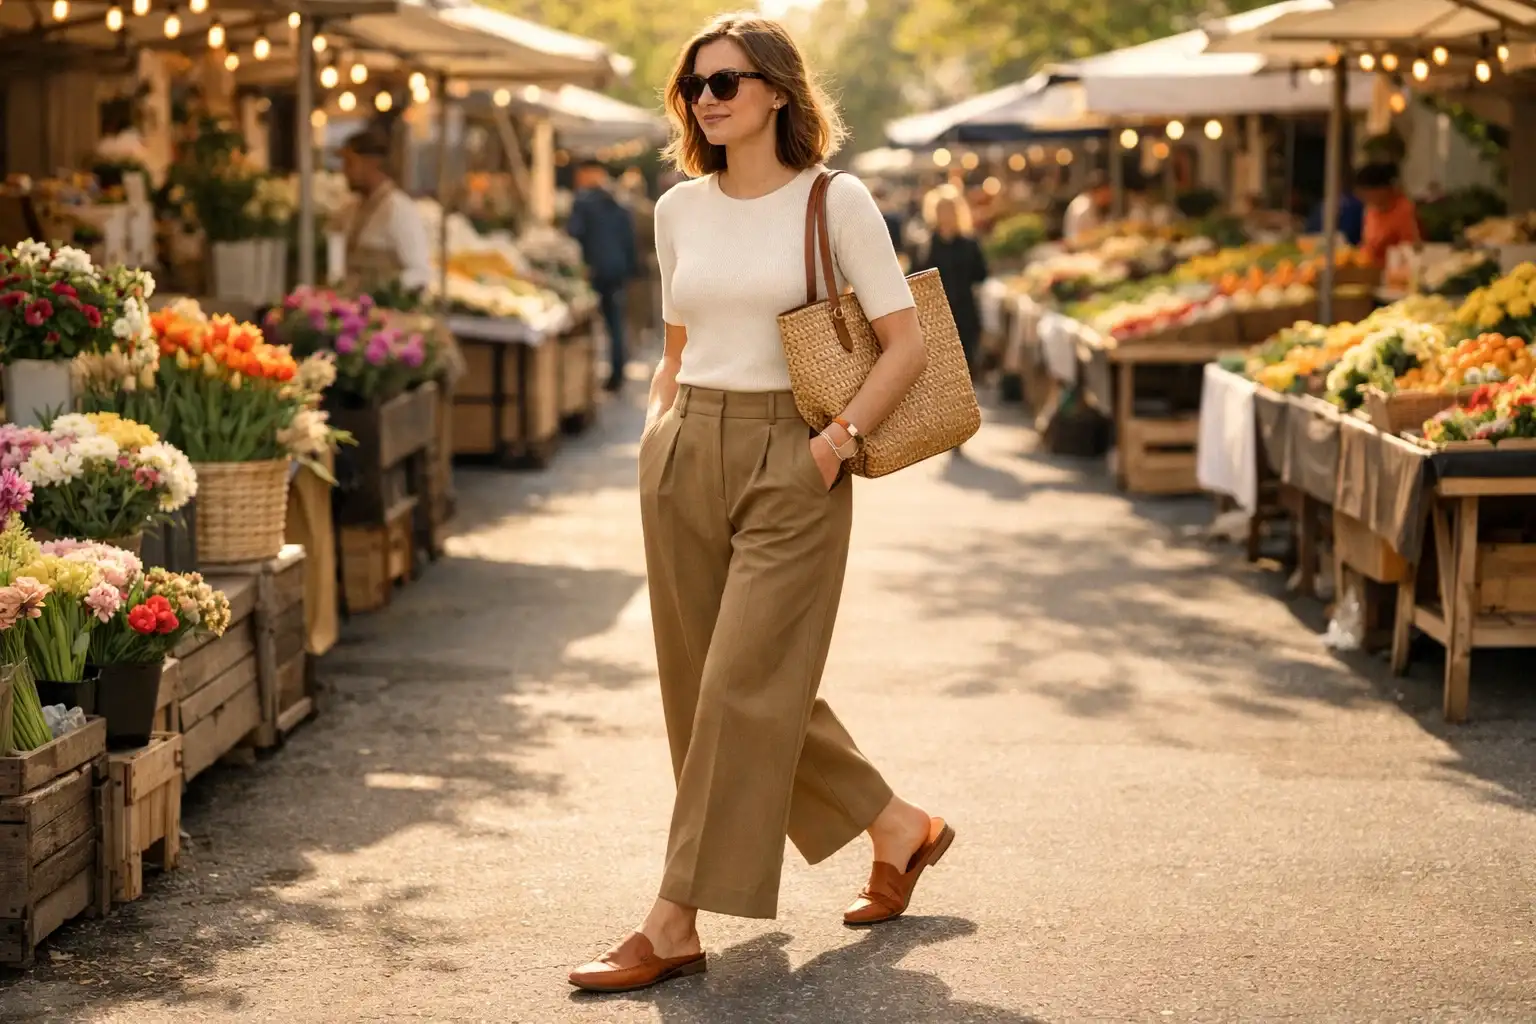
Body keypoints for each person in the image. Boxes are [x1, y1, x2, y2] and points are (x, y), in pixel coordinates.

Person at [568, 12, 950, 995]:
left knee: (742, 684)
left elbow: (905, 342)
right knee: (709, 690)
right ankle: (898, 826)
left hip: (799, 449)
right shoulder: (676, 211)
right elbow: (676, 348)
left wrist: (836, 440)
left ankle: (673, 919)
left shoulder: (838, 200)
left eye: (728, 81)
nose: (708, 99)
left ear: (778, 90)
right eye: (696, 85)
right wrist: (659, 435)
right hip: (688, 443)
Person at [566, 160, 639, 391]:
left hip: (594, 270)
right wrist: (630, 268)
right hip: (617, 269)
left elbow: (574, 233)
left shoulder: (583, 202)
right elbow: (629, 240)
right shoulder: (619, 203)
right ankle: (617, 373)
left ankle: (587, 380)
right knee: (614, 323)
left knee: (590, 325)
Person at [337, 128, 432, 294]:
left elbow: (420, 272)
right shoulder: (351, 209)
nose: (344, 172)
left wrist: (384, 288)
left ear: (372, 163)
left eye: (350, 163)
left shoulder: (399, 209)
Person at [914, 184, 988, 380]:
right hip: (936, 310)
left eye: (949, 210)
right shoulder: (926, 245)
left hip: (965, 309)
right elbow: (916, 276)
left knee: (966, 360)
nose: (945, 215)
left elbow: (981, 274)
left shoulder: (969, 243)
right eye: (941, 210)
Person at [1356, 162, 1420, 265]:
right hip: (1368, 269)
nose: (1363, 197)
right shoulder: (1370, 210)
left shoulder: (1404, 210)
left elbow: (1410, 247)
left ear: (1382, 190)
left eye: (1366, 193)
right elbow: (1366, 244)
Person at [1063, 170, 1112, 243]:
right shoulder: (1082, 208)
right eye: (1107, 192)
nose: (1110, 196)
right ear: (1098, 191)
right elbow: (1075, 238)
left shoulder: (1092, 203)